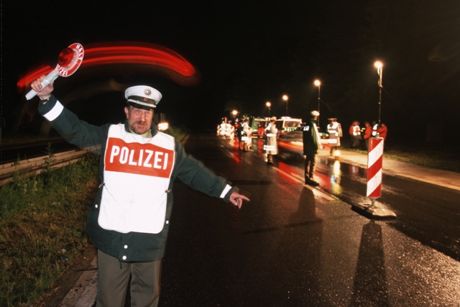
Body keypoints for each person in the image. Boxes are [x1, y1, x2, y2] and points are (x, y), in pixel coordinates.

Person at [30, 76, 250, 307]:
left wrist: (226, 191)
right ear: (127, 111)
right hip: (111, 238)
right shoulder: (109, 136)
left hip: (149, 241)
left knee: (146, 301)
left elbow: (194, 172)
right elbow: (76, 131)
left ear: (153, 114)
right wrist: (46, 98)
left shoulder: (168, 145)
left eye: (147, 111)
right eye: (137, 110)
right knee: (109, 301)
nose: (142, 117)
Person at [302, 110, 321, 186]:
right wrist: (317, 146)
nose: (317, 118)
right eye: (316, 117)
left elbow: (305, 136)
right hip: (312, 147)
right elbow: (313, 137)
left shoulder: (306, 124)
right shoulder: (312, 125)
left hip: (307, 146)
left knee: (307, 162)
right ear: (314, 117)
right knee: (312, 163)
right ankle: (311, 178)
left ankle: (307, 178)